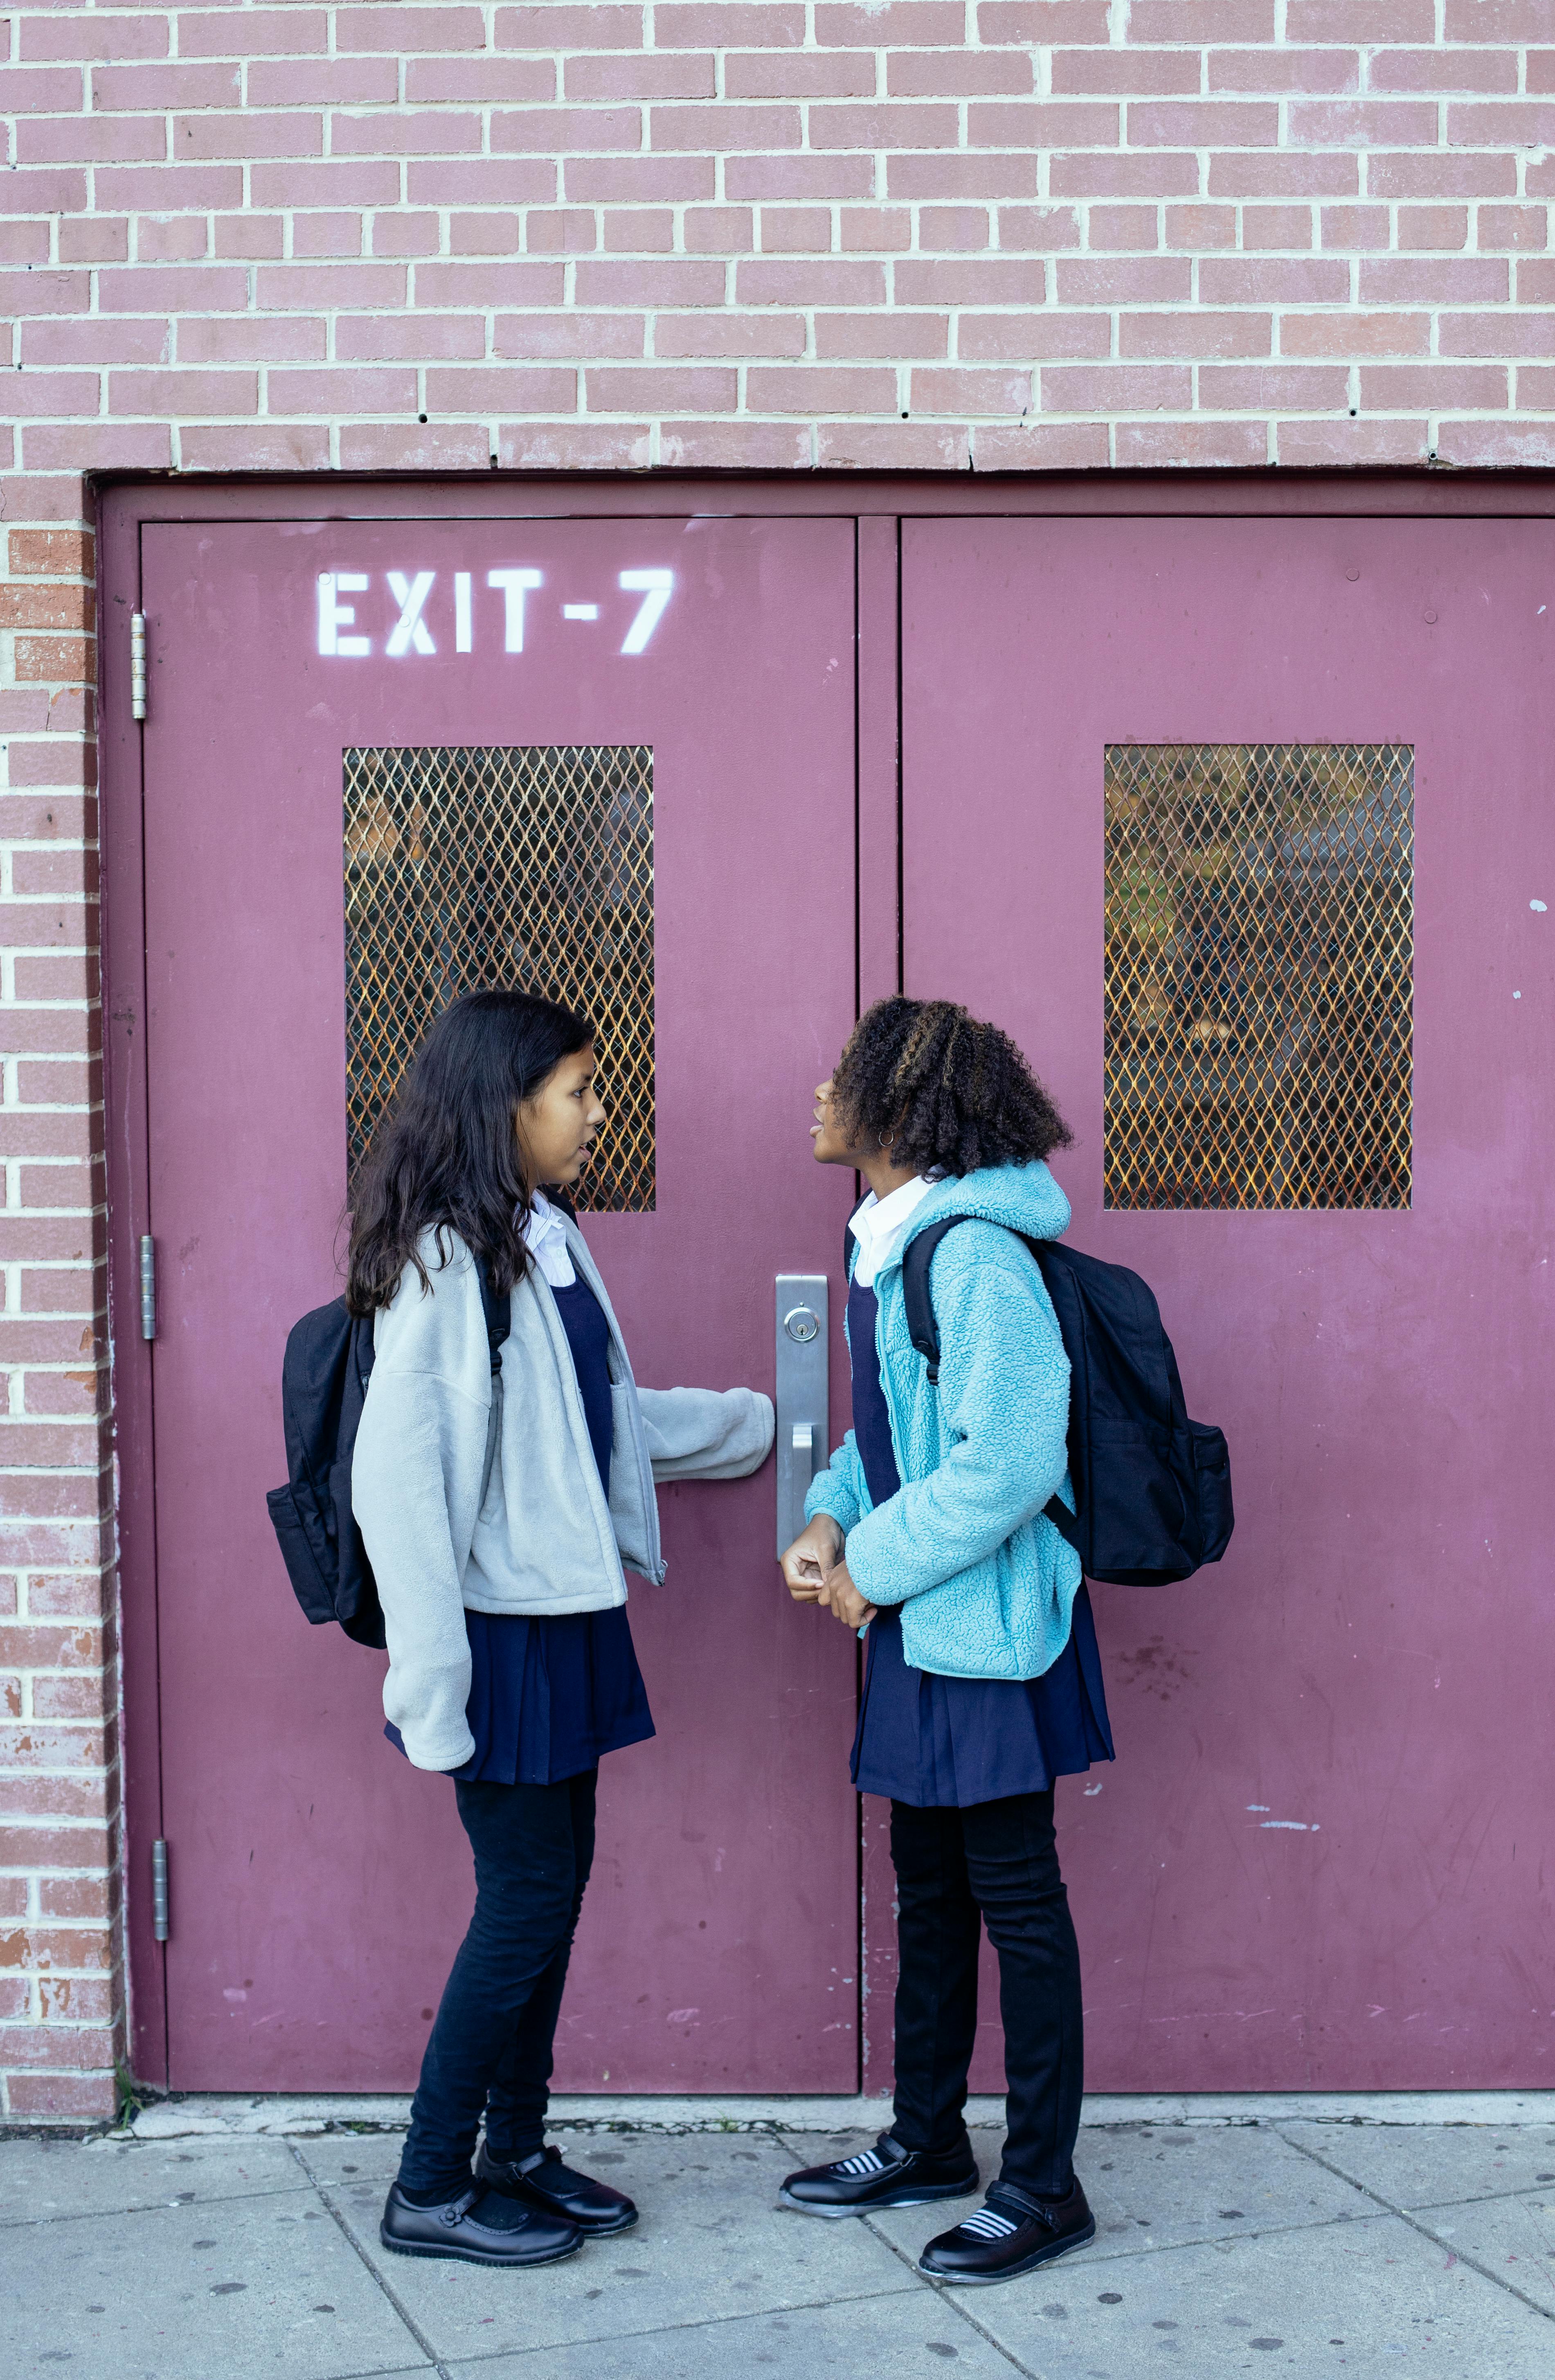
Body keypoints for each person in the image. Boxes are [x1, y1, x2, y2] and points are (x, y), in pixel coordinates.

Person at [349, 988, 773, 2268]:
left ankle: (514, 2150)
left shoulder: (542, 1235)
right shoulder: (442, 1260)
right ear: (507, 1102)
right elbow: (398, 1485)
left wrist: (749, 1427)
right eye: (578, 1091)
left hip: (565, 1613)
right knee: (524, 1899)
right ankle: (428, 2181)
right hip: (499, 1634)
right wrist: (432, 1680)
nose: (596, 1110)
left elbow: (586, 1420)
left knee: (554, 1887)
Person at [778, 996, 1113, 2286]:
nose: (820, 1090)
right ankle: (926, 2138)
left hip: (993, 1634)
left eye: (843, 1072)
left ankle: (1043, 2184)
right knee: (927, 1886)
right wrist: (828, 1518)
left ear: (901, 1109)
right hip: (930, 1627)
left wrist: (872, 1567)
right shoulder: (898, 1246)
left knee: (1014, 1899)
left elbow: (1011, 1461)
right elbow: (900, 1437)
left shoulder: (974, 1253)